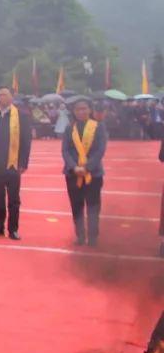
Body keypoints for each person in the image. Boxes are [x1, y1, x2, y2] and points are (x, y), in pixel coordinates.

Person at [0, 86, 32, 240]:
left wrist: (24, 162)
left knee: (14, 199)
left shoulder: (21, 115)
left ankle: (13, 229)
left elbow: (26, 140)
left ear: (12, 97)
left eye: (4, 94)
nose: (1, 97)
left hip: (13, 164)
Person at [62, 97, 107, 246]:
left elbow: (100, 150)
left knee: (93, 206)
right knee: (76, 206)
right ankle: (80, 235)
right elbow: (65, 150)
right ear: (74, 112)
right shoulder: (70, 128)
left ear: (90, 110)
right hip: (72, 173)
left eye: (84, 108)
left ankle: (93, 237)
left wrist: (87, 167)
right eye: (78, 109)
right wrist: (74, 167)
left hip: (93, 174)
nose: (81, 112)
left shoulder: (98, 127)